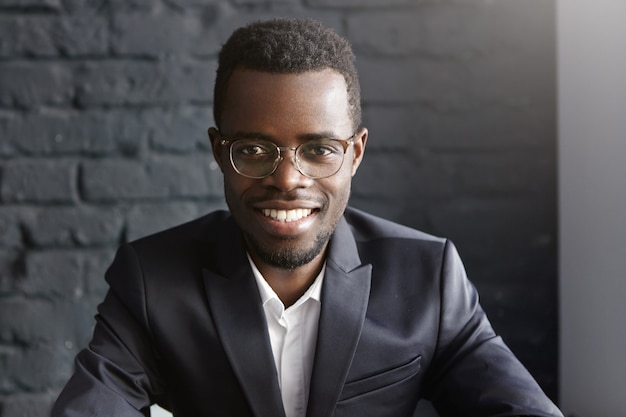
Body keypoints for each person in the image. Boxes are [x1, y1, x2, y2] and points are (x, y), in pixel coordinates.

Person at [52, 18, 563, 417]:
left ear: (356, 153)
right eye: (253, 149)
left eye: (318, 149)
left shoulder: (428, 278)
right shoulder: (152, 280)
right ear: (218, 150)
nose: (288, 179)